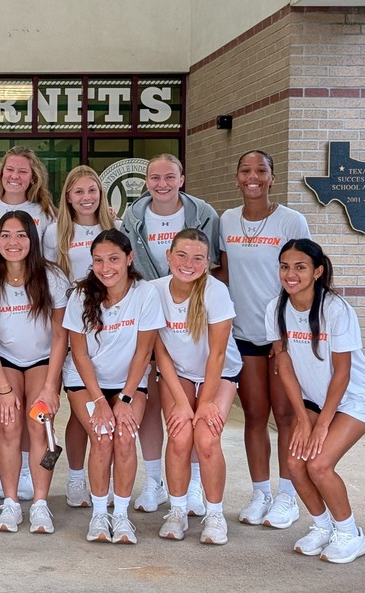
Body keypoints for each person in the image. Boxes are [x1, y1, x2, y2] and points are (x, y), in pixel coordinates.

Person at [120, 153, 221, 516]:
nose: (161, 183)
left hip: (189, 320)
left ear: (182, 179)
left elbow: (213, 264)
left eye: (169, 176)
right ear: (146, 181)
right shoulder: (133, 216)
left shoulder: (204, 214)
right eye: (154, 177)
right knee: (151, 404)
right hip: (150, 314)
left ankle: (192, 486)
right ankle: (153, 482)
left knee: (191, 415)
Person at [268, 239, 365, 564]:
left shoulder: (335, 309)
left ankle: (350, 534)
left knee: (318, 464)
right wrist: (303, 418)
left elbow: (342, 372)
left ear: (317, 271)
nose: (291, 274)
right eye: (285, 266)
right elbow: (284, 365)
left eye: (300, 267)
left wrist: (323, 425)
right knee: (294, 464)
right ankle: (322, 526)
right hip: (314, 400)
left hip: (354, 398)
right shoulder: (275, 308)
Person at [218, 150, 311, 528]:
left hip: (283, 335)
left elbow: (303, 278)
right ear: (237, 177)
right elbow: (224, 275)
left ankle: (288, 496)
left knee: (286, 416)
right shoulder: (226, 220)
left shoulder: (291, 220)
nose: (252, 177)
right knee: (255, 416)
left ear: (272, 177)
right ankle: (261, 493)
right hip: (243, 334)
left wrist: (289, 333)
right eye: (245, 170)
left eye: (261, 171)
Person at [62, 229, 163, 544]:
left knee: (123, 436)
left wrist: (125, 398)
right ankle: (98, 516)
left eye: (114, 259)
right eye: (98, 260)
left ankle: (120, 516)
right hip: (85, 381)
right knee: (101, 436)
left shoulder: (145, 293)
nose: (106, 268)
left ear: (130, 258)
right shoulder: (81, 295)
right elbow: (78, 353)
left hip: (128, 383)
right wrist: (100, 401)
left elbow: (144, 353)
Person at [0, 211, 68, 534]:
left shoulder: (52, 277)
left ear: (33, 239)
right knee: (9, 424)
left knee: (39, 425)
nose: (13, 242)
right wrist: (0, 385)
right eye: (5, 235)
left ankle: (40, 503)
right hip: (5, 363)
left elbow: (60, 335)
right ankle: (11, 502)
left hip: (42, 361)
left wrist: (51, 386)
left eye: (21, 235)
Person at [0, 146, 56, 502]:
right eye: (10, 169)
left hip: (39, 351)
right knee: (5, 415)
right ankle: (5, 472)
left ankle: (31, 480)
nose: (16, 176)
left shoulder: (47, 213)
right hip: (3, 354)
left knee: (38, 421)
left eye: (23, 171)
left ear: (33, 176)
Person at [152, 228, 243, 545]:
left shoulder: (215, 292)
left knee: (205, 437)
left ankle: (214, 514)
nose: (188, 263)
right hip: (178, 374)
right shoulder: (154, 291)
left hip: (217, 373)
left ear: (207, 262)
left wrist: (204, 404)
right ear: (168, 256)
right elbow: (159, 350)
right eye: (181, 255)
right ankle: (176, 511)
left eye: (197, 258)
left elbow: (217, 354)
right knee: (179, 436)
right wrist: (181, 401)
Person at [42, 165, 118, 508]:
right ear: (68, 197)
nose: (86, 198)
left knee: (102, 405)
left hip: (110, 322)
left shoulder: (112, 227)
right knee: (77, 406)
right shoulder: (55, 231)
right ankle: (75, 479)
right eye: (78, 192)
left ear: (100, 195)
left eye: (92, 190)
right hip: (70, 322)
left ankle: (109, 479)